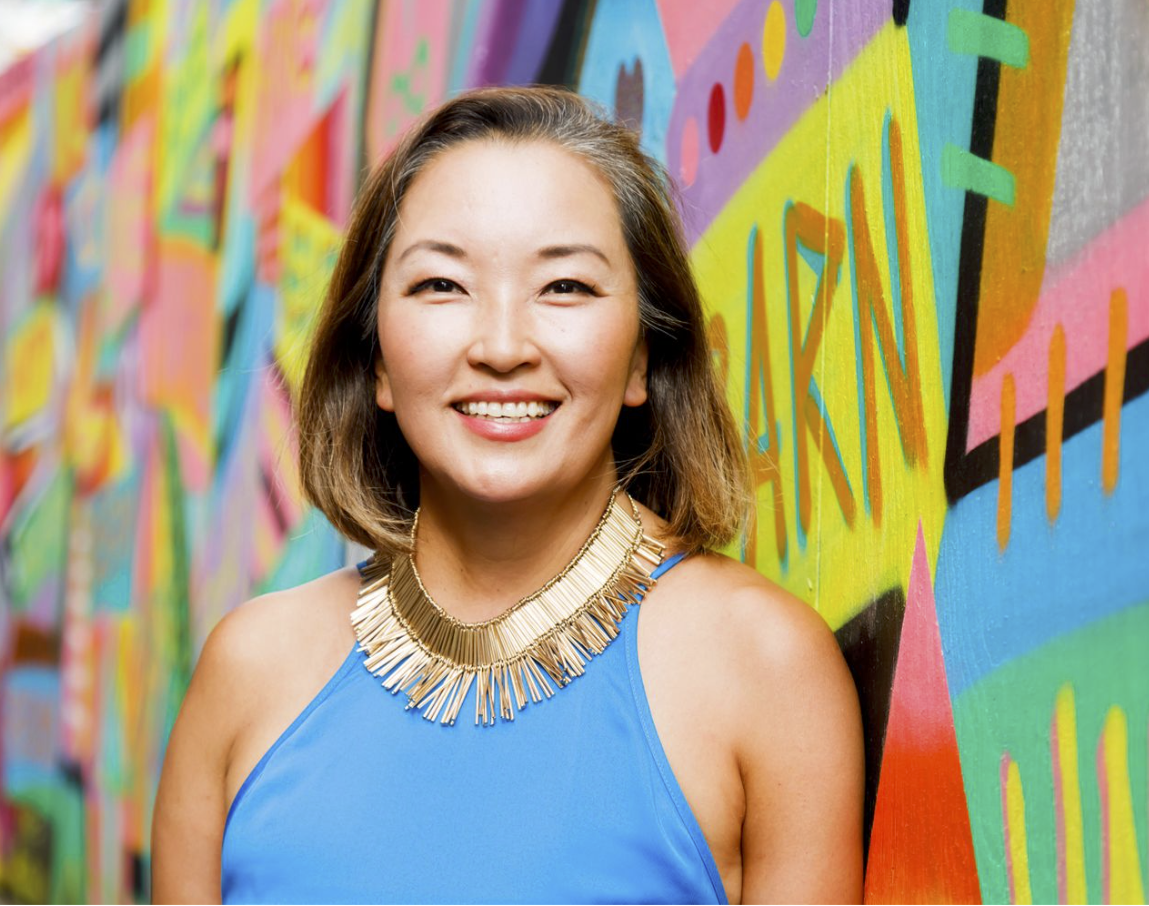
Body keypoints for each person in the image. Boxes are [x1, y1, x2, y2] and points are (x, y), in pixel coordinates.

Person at [151, 86, 862, 904]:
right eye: (442, 286)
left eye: (564, 288)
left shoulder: (762, 669)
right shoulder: (249, 669)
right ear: (376, 358)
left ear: (642, 359)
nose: (500, 346)